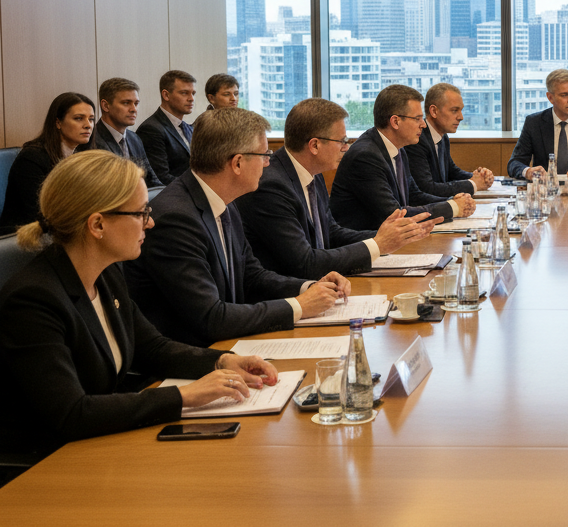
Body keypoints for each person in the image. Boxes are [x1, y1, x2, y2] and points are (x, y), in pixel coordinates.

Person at [0, 151, 278, 458]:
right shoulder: (32, 300)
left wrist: (222, 361)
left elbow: (153, 348)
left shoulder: (106, 275)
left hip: (102, 443)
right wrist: (184, 396)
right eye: (140, 213)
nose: (151, 222)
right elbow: (72, 412)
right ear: (97, 224)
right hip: (49, 463)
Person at [124, 108, 350, 347]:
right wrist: (299, 306)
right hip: (195, 354)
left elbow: (251, 276)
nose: (268, 163)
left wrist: (310, 287)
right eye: (264, 155)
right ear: (238, 163)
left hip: (229, 343)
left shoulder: (224, 201)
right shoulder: (176, 219)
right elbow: (211, 318)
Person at [235, 98, 439, 280]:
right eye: (341, 141)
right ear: (314, 145)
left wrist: (390, 236)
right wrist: (378, 244)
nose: (346, 148)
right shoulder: (271, 187)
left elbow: (331, 233)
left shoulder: (313, 172)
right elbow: (304, 263)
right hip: (289, 293)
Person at [330, 84, 473, 231]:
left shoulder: (398, 149)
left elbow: (414, 196)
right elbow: (395, 215)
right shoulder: (365, 157)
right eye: (417, 119)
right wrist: (452, 207)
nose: (423, 125)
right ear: (395, 121)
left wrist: (451, 201)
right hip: (364, 240)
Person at [1, 92, 96, 228]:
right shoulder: (32, 158)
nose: (88, 125)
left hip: (67, 228)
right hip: (27, 233)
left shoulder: (84, 156)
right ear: (58, 123)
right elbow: (38, 214)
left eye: (91, 119)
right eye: (79, 118)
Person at [406, 82, 495, 197]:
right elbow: (427, 188)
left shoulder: (443, 137)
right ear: (434, 111)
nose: (461, 117)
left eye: (461, 110)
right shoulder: (417, 140)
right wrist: (473, 184)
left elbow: (451, 172)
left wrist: (479, 177)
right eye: (454, 110)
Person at [91, 77, 162, 188]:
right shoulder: (92, 140)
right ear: (105, 106)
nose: (134, 109)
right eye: (126, 103)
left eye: (136, 103)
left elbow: (152, 180)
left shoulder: (135, 138)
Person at [137, 69, 197, 184]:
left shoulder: (188, 128)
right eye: (184, 93)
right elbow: (161, 178)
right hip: (172, 193)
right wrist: (197, 187)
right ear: (166, 95)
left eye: (193, 93)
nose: (191, 98)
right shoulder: (151, 129)